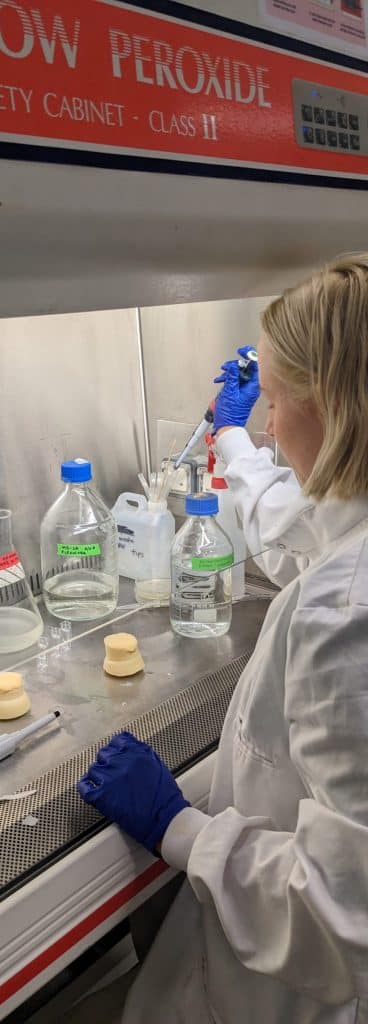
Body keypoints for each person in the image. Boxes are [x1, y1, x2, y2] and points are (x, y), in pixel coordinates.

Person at [78, 254, 368, 1023]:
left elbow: (345, 920)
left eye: (274, 401)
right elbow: (305, 531)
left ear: (331, 405)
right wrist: (232, 439)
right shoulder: (350, 540)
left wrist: (181, 829)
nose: (269, 426)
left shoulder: (346, 616)